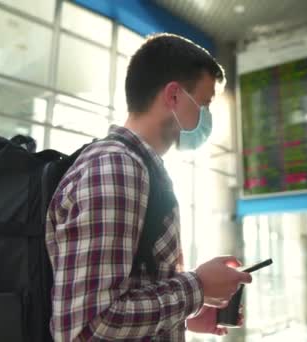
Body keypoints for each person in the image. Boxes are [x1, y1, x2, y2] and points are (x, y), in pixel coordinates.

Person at [45, 33, 252, 341]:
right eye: (205, 104)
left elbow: (127, 294)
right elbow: (90, 325)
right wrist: (198, 287)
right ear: (173, 96)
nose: (206, 117)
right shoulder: (117, 168)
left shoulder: (138, 169)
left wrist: (186, 314)